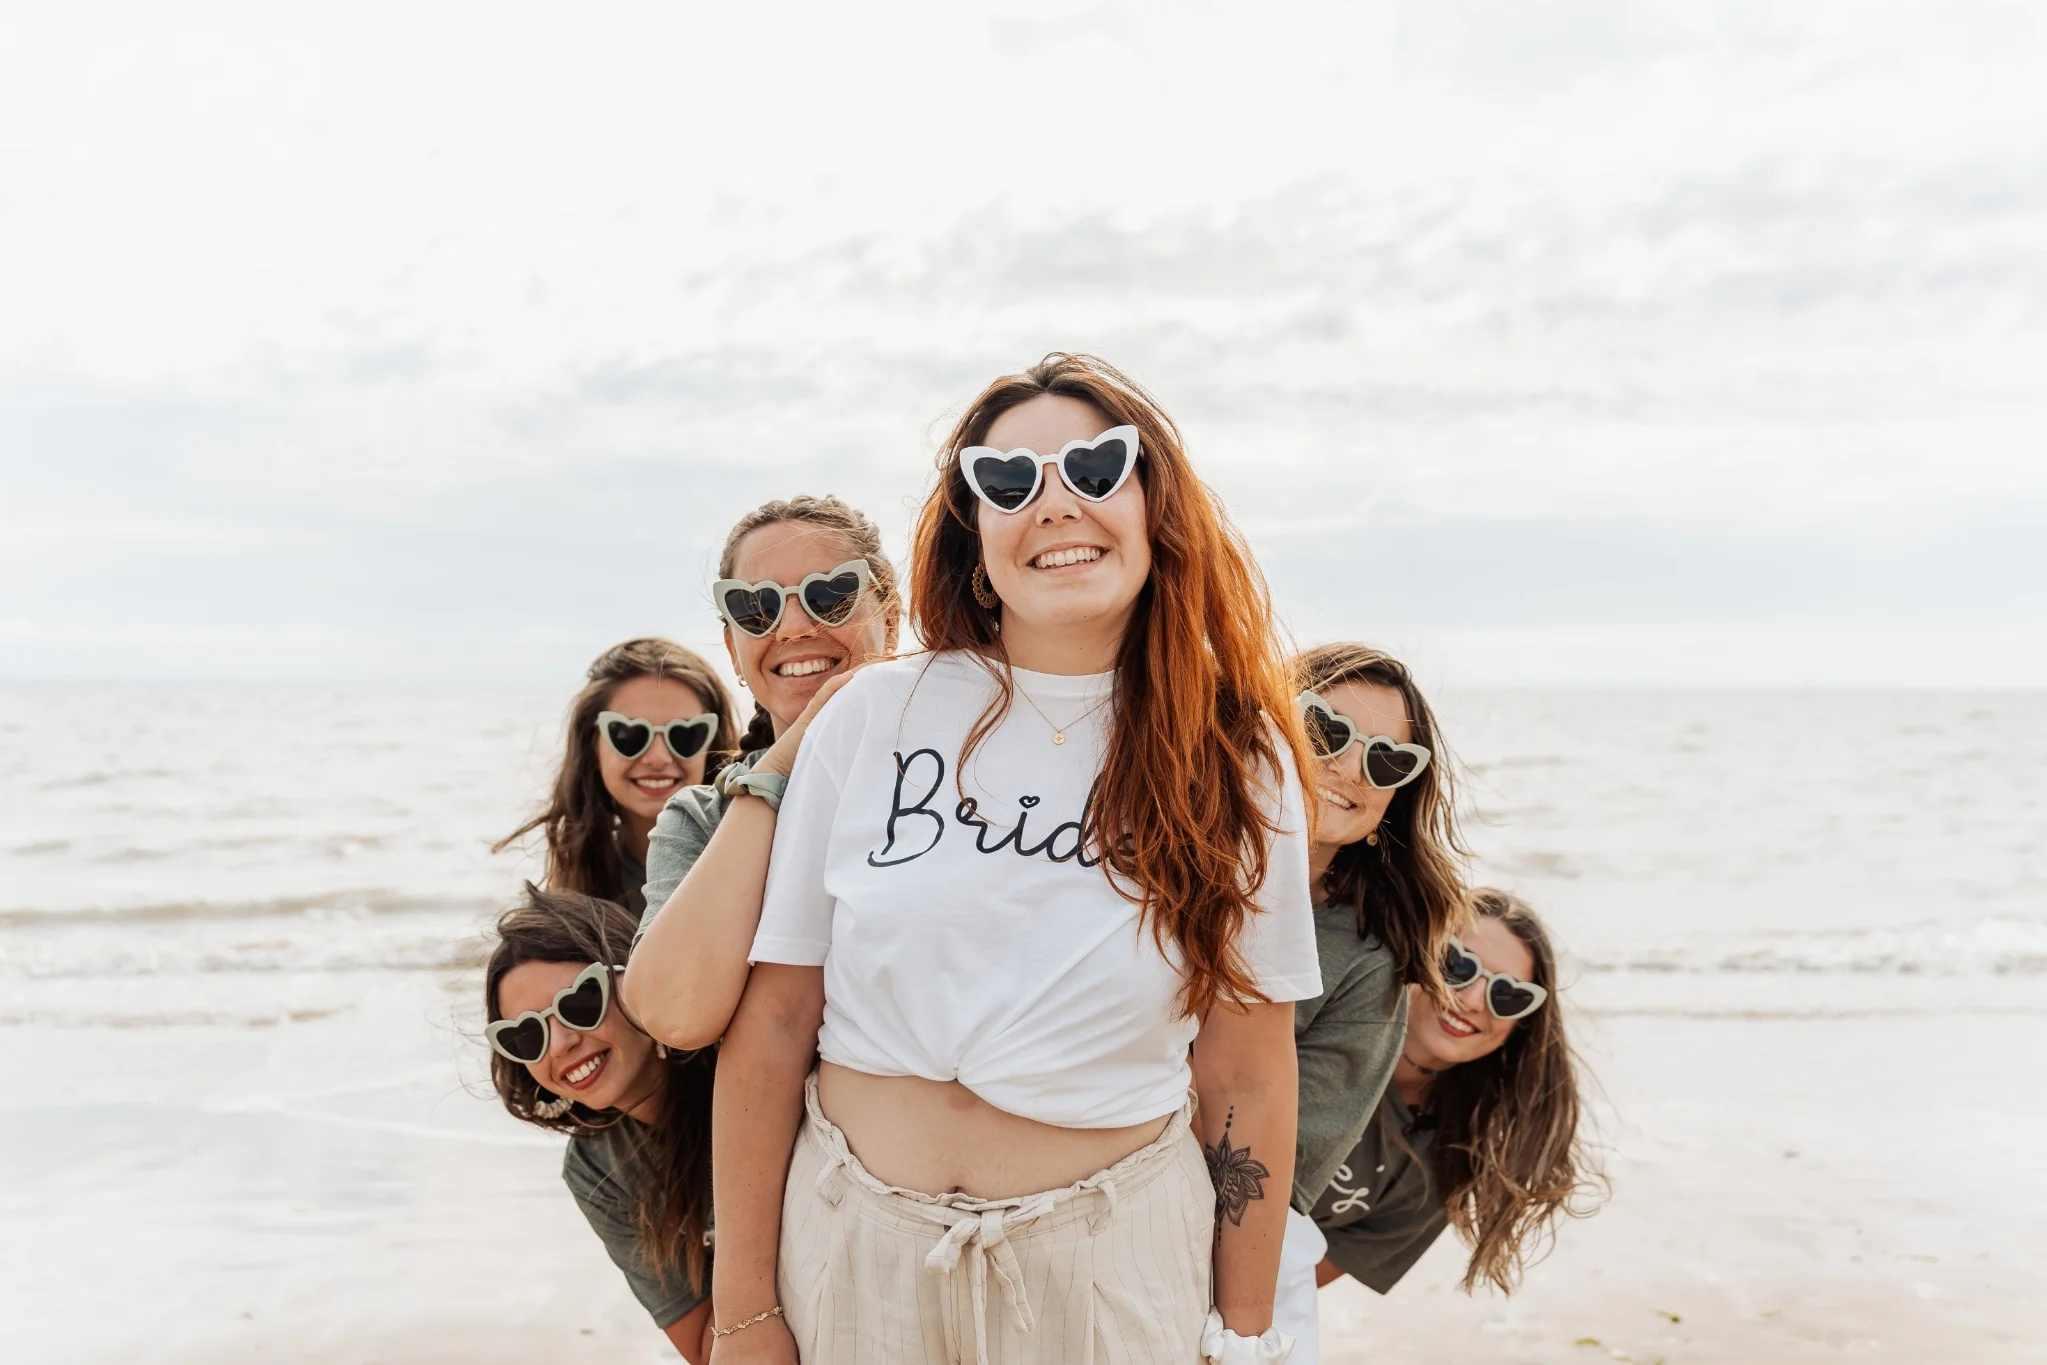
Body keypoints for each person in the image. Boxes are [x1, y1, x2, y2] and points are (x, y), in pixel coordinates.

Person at [708, 353, 1322, 1364]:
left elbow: (1248, 1072)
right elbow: (774, 1021)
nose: (1052, 506)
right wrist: (743, 1309)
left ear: (1153, 503)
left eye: (1093, 469)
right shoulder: (871, 714)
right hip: (854, 1254)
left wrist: (1244, 1336)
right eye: (1007, 482)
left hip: (1112, 1269)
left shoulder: (1239, 759)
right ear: (973, 531)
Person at [624, 494, 901, 1044]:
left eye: (831, 595)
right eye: (757, 608)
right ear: (733, 649)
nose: (794, 626)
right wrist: (779, 766)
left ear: (890, 623)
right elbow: (674, 1015)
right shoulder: (701, 820)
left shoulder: (962, 774)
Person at [1272, 643, 1469, 1364]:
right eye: (1326, 732)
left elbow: (1285, 1170)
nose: (1352, 768)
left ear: (1395, 798)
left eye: (1388, 761)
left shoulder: (1365, 953)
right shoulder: (1153, 859)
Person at [1309, 888, 1604, 1299]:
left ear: (1521, 1025)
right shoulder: (1318, 1022)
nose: (1471, 1000)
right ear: (1421, 954)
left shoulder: (1456, 1154)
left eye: (1508, 995)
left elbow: (1293, 1287)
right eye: (1458, 966)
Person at [483, 884, 718, 1360]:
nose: (561, 1043)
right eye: (526, 1034)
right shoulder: (597, 1169)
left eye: (579, 1002)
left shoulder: (733, 1063)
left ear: (635, 978)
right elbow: (703, 1349)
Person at [497, 638, 741, 915]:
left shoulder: (757, 861)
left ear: (712, 745)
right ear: (592, 746)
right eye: (629, 734)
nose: (658, 758)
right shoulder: (571, 896)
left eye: (685, 735)